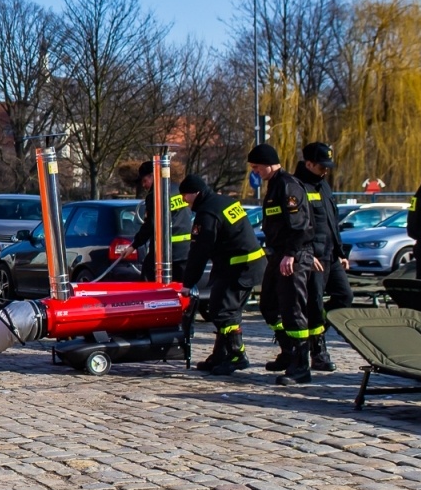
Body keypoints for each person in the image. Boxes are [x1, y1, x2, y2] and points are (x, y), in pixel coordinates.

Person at [180, 174, 266, 375]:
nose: (184, 200)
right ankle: (220, 354)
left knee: (224, 312)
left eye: (186, 195)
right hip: (246, 264)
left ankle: (237, 356)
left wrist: (188, 283)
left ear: (196, 193)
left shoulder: (207, 213)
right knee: (224, 309)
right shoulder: (224, 201)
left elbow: (199, 252)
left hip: (239, 267)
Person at [251, 144, 315, 385]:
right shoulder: (274, 185)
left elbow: (300, 225)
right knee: (268, 305)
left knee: (292, 309)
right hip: (278, 254)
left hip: (293, 256)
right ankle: (288, 351)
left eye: (257, 167)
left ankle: (301, 365)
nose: (255, 172)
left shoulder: (288, 186)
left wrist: (290, 254)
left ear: (269, 163)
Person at [293, 142, 349, 373]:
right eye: (321, 166)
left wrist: (340, 252)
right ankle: (318, 352)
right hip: (313, 257)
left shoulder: (323, 185)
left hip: (331, 255)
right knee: (314, 302)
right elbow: (298, 226)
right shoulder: (298, 187)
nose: (325, 170)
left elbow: (331, 222)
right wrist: (307, 254)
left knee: (344, 296)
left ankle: (315, 333)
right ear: (309, 164)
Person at [130, 160, 193, 284]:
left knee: (148, 282)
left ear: (152, 176)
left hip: (164, 251)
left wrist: (134, 245)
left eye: (144, 180)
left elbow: (151, 224)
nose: (144, 185)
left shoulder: (155, 195)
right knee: (182, 287)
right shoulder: (179, 190)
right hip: (185, 250)